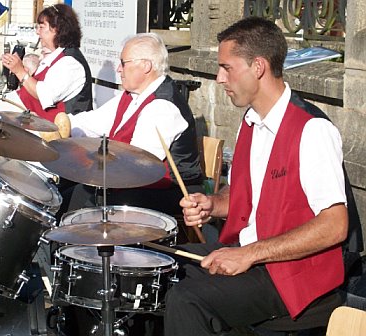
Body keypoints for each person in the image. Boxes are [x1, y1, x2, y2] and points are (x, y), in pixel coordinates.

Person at [163, 16, 360, 335]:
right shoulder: (251, 121)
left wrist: (249, 253)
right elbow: (248, 196)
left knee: (187, 299)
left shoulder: (312, 129)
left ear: (257, 66)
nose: (219, 77)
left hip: (292, 272)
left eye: (227, 67)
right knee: (168, 271)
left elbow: (335, 225)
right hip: (255, 255)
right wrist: (212, 204)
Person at [49, 32, 203, 218]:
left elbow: (137, 164)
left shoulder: (163, 106)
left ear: (146, 66)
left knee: (81, 201)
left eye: (123, 63)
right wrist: (56, 128)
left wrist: (87, 161)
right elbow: (94, 121)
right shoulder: (132, 95)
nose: (118, 70)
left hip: (167, 193)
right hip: (132, 183)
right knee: (62, 196)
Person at [1, 4, 92, 122]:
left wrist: (20, 71)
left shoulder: (70, 63)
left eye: (42, 27)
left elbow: (44, 94)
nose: (37, 32)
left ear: (56, 29)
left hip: (61, 136)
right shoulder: (54, 58)